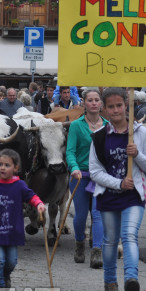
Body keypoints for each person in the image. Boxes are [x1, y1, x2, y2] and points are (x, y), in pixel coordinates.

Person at [89, 87, 146, 291]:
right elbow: (95, 171)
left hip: (133, 195)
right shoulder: (99, 137)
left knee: (129, 235)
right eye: (111, 106)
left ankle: (131, 280)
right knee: (109, 240)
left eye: (119, 105)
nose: (116, 110)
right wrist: (118, 182)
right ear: (104, 110)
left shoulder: (141, 133)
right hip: (108, 195)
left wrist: (137, 155)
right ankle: (110, 281)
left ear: (126, 107)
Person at [0, 148, 45, 291]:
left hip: (13, 231)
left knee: (12, 261)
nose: (2, 168)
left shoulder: (19, 185)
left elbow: (31, 196)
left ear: (16, 168)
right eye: (0, 164)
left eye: (7, 165)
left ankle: (5, 276)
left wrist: (38, 204)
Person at [65, 88, 107, 268]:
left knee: (98, 214)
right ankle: (80, 243)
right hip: (80, 176)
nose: (94, 103)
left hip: (101, 177)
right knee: (81, 215)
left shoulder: (108, 126)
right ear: (84, 103)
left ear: (101, 103)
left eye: (97, 100)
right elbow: (70, 152)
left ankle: (97, 251)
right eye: (90, 100)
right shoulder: (76, 125)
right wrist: (74, 168)